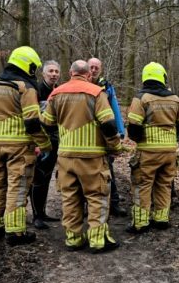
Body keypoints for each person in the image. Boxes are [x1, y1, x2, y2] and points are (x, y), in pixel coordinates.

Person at [42, 60, 123, 253]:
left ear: (70, 72)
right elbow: (109, 124)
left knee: (70, 198)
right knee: (97, 196)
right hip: (92, 157)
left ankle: (73, 239)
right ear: (88, 74)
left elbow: (46, 123)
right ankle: (97, 240)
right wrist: (115, 147)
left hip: (66, 157)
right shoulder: (96, 92)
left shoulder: (56, 93)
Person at [0, 46, 52, 246]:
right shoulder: (24, 87)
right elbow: (33, 121)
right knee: (17, 187)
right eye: (34, 67)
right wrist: (44, 144)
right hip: (20, 147)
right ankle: (16, 233)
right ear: (28, 65)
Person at [126, 63, 179, 233]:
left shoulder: (142, 98)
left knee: (142, 185)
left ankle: (140, 222)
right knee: (164, 184)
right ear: (162, 77)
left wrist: (138, 140)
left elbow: (134, 125)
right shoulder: (175, 99)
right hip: (169, 151)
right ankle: (161, 218)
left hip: (148, 151)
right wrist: (170, 138)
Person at [88, 57, 127, 217]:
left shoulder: (107, 87)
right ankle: (87, 206)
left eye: (97, 67)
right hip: (86, 135)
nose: (94, 69)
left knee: (108, 170)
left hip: (105, 135)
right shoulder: (79, 85)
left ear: (101, 69)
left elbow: (115, 109)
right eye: (92, 66)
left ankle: (114, 203)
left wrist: (120, 130)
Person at [31, 59, 61, 229]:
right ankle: (36, 216)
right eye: (50, 71)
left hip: (57, 140)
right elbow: (32, 118)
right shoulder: (36, 90)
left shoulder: (59, 90)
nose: (53, 74)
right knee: (39, 177)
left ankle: (42, 212)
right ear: (43, 73)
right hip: (41, 141)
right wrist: (37, 143)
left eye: (56, 72)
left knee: (48, 176)